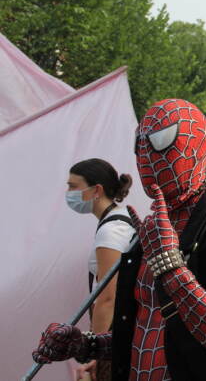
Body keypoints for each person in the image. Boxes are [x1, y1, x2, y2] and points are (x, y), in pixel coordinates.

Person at [32, 99, 206, 380]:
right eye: (139, 144)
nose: (146, 157)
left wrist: (172, 269)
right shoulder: (151, 229)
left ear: (195, 146)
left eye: (160, 142)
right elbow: (147, 329)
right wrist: (87, 344)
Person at [67, 158, 135, 380]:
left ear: (96, 190)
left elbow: (108, 296)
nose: (69, 192)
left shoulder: (111, 231)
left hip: (113, 334)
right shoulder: (118, 220)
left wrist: (95, 351)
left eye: (73, 186)